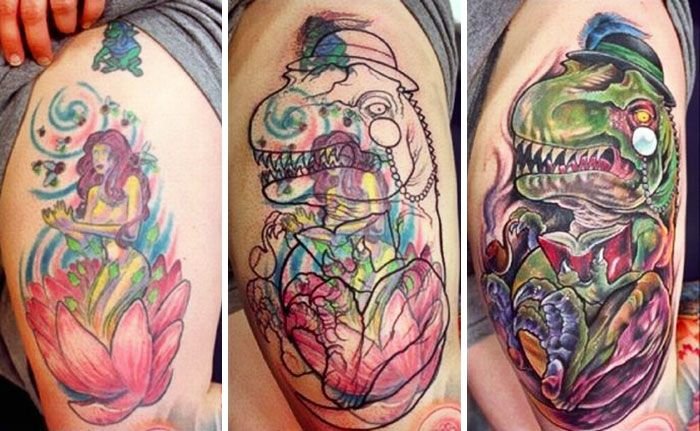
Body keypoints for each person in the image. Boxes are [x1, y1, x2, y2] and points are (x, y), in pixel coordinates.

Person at [0, 1, 222, 429]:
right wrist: (69, 227)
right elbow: (86, 236)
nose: (99, 161)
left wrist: (75, 224)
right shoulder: (93, 189)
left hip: (105, 28)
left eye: (104, 154)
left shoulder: (131, 184)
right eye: (96, 155)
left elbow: (124, 227)